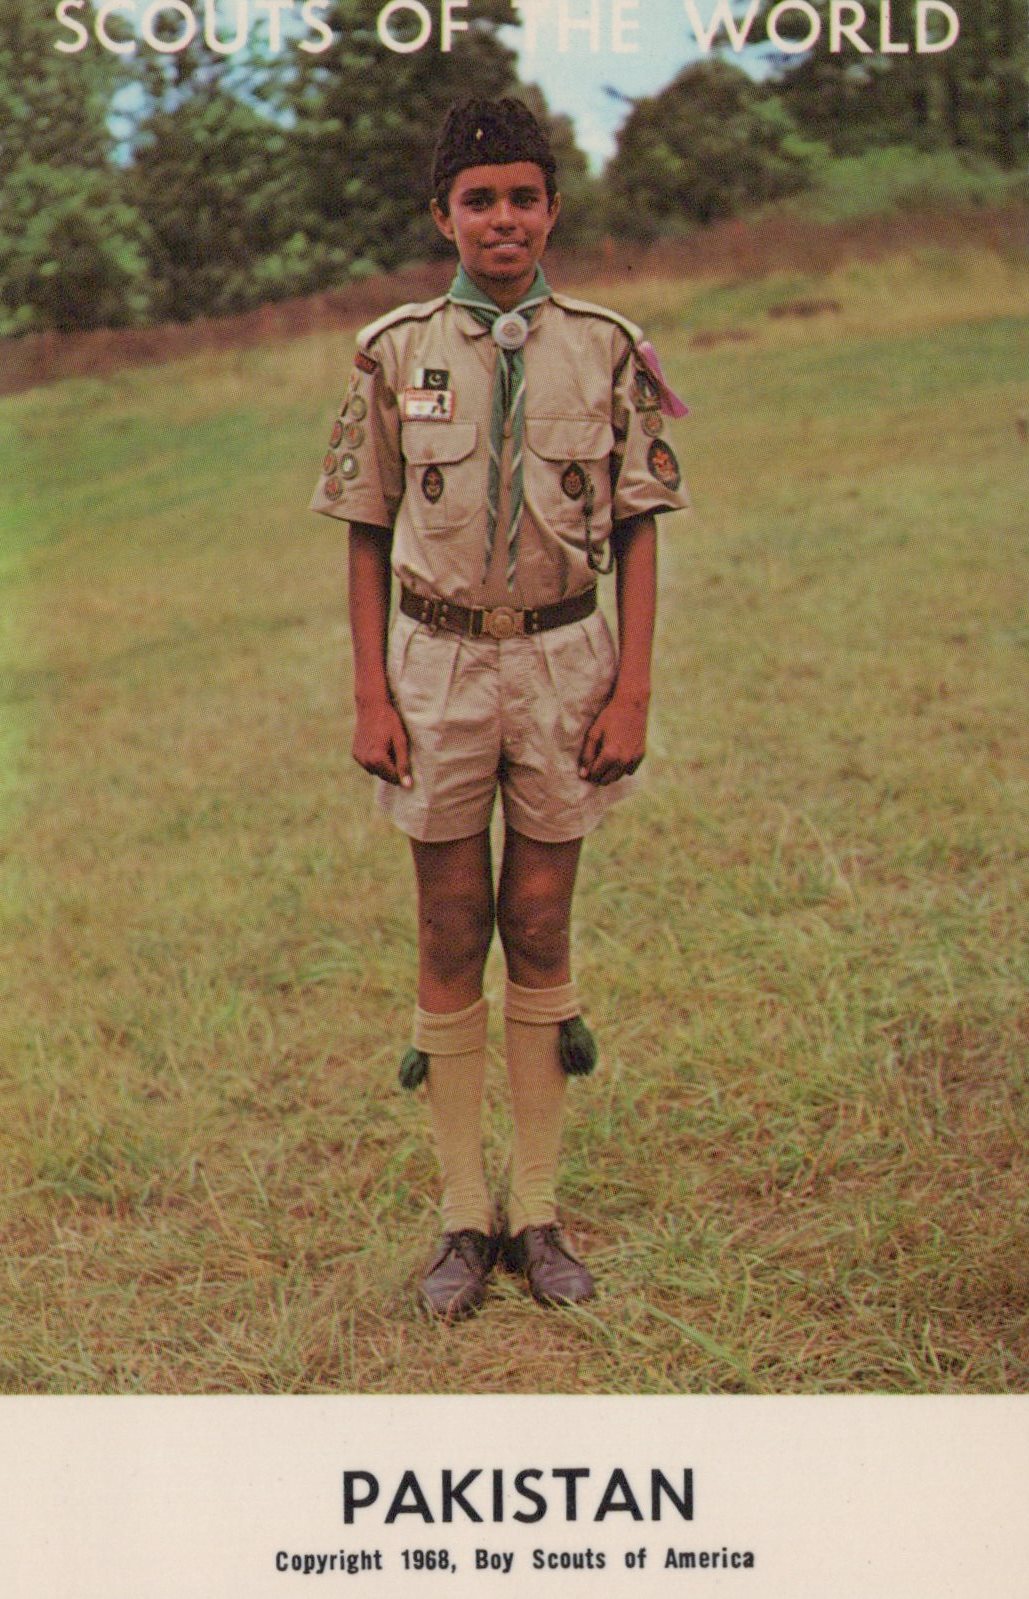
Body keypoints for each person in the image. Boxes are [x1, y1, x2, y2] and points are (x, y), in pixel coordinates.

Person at [311, 97, 689, 1320]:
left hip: (565, 664)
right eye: (480, 200)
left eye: (524, 196)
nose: (504, 219)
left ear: (553, 209)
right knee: (446, 925)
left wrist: (632, 685)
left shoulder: (604, 348)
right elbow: (367, 532)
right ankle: (462, 1218)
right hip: (437, 671)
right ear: (444, 216)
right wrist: (371, 689)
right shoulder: (394, 353)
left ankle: (539, 1210)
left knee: (538, 923)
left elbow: (637, 528)